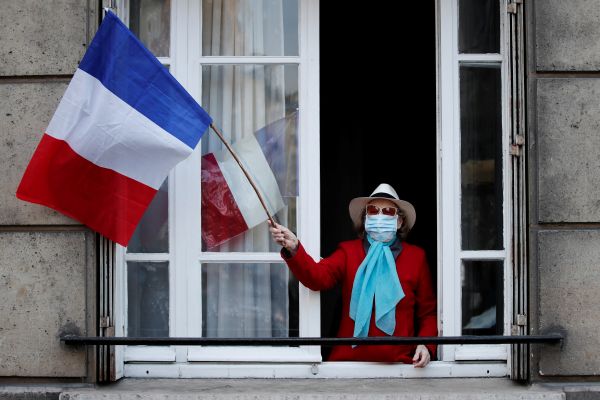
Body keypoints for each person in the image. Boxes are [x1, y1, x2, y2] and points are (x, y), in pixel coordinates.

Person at [269, 183, 437, 367]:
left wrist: (426, 344)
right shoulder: (348, 252)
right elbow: (317, 278)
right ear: (365, 219)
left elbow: (427, 313)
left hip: (400, 366)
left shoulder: (416, 257)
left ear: (399, 222)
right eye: (373, 210)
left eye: (388, 211)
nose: (379, 216)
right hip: (349, 364)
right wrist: (295, 248)